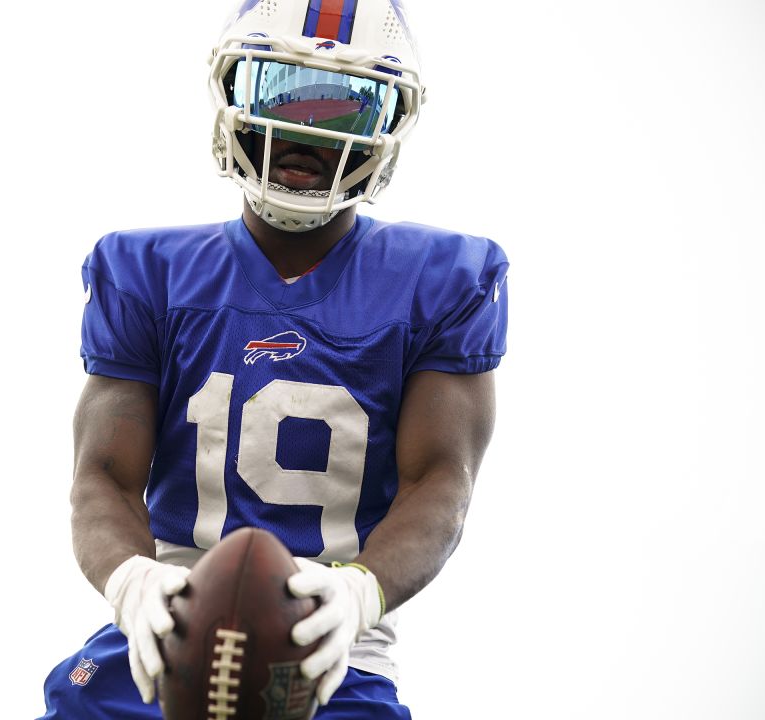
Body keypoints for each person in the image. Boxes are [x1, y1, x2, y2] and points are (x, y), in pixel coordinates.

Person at [40, 1, 508, 717]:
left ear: (387, 127)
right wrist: (133, 583)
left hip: (333, 645)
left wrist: (359, 592)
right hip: (164, 625)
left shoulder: (443, 281)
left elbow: (443, 481)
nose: (304, 127)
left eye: (347, 105)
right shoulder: (146, 271)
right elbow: (100, 475)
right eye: (280, 91)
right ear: (233, 95)